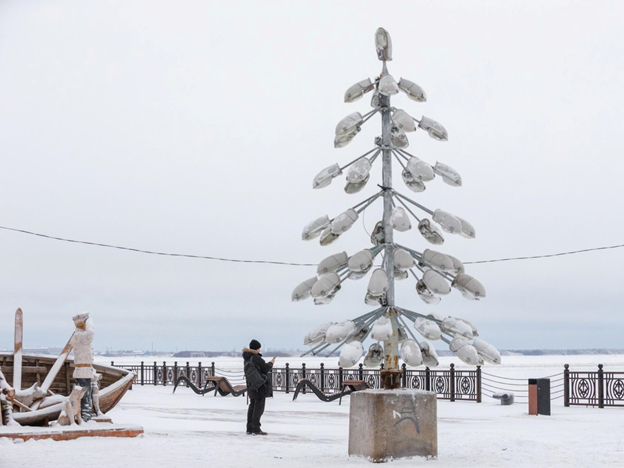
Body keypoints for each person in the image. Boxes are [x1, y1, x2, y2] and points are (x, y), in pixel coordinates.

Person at [242, 339, 274, 435]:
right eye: (259, 348)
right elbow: (265, 368)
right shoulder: (255, 357)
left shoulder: (247, 357)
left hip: (251, 385)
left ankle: (249, 428)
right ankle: (256, 428)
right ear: (256, 348)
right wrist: (271, 363)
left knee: (252, 406)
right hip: (259, 385)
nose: (260, 350)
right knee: (259, 407)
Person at [70, 313, 94, 422]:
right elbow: (90, 333)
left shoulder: (77, 336)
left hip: (83, 371)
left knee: (84, 395)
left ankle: (84, 416)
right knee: (85, 395)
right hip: (83, 372)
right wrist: (89, 320)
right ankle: (85, 417)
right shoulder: (80, 336)